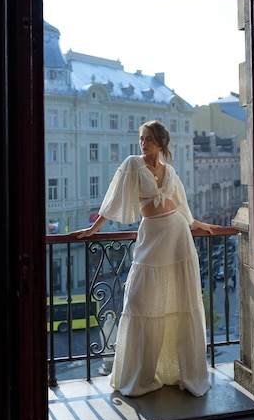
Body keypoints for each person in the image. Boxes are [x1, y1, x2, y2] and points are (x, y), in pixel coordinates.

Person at [72, 120, 221, 397]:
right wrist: (93, 228)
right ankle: (141, 374)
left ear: (161, 142)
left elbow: (182, 207)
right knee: (141, 299)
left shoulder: (170, 171)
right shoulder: (132, 164)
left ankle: (179, 371)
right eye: (141, 138)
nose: (143, 143)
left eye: (149, 139)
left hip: (178, 237)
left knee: (180, 300)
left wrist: (200, 225)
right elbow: (114, 198)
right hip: (152, 238)